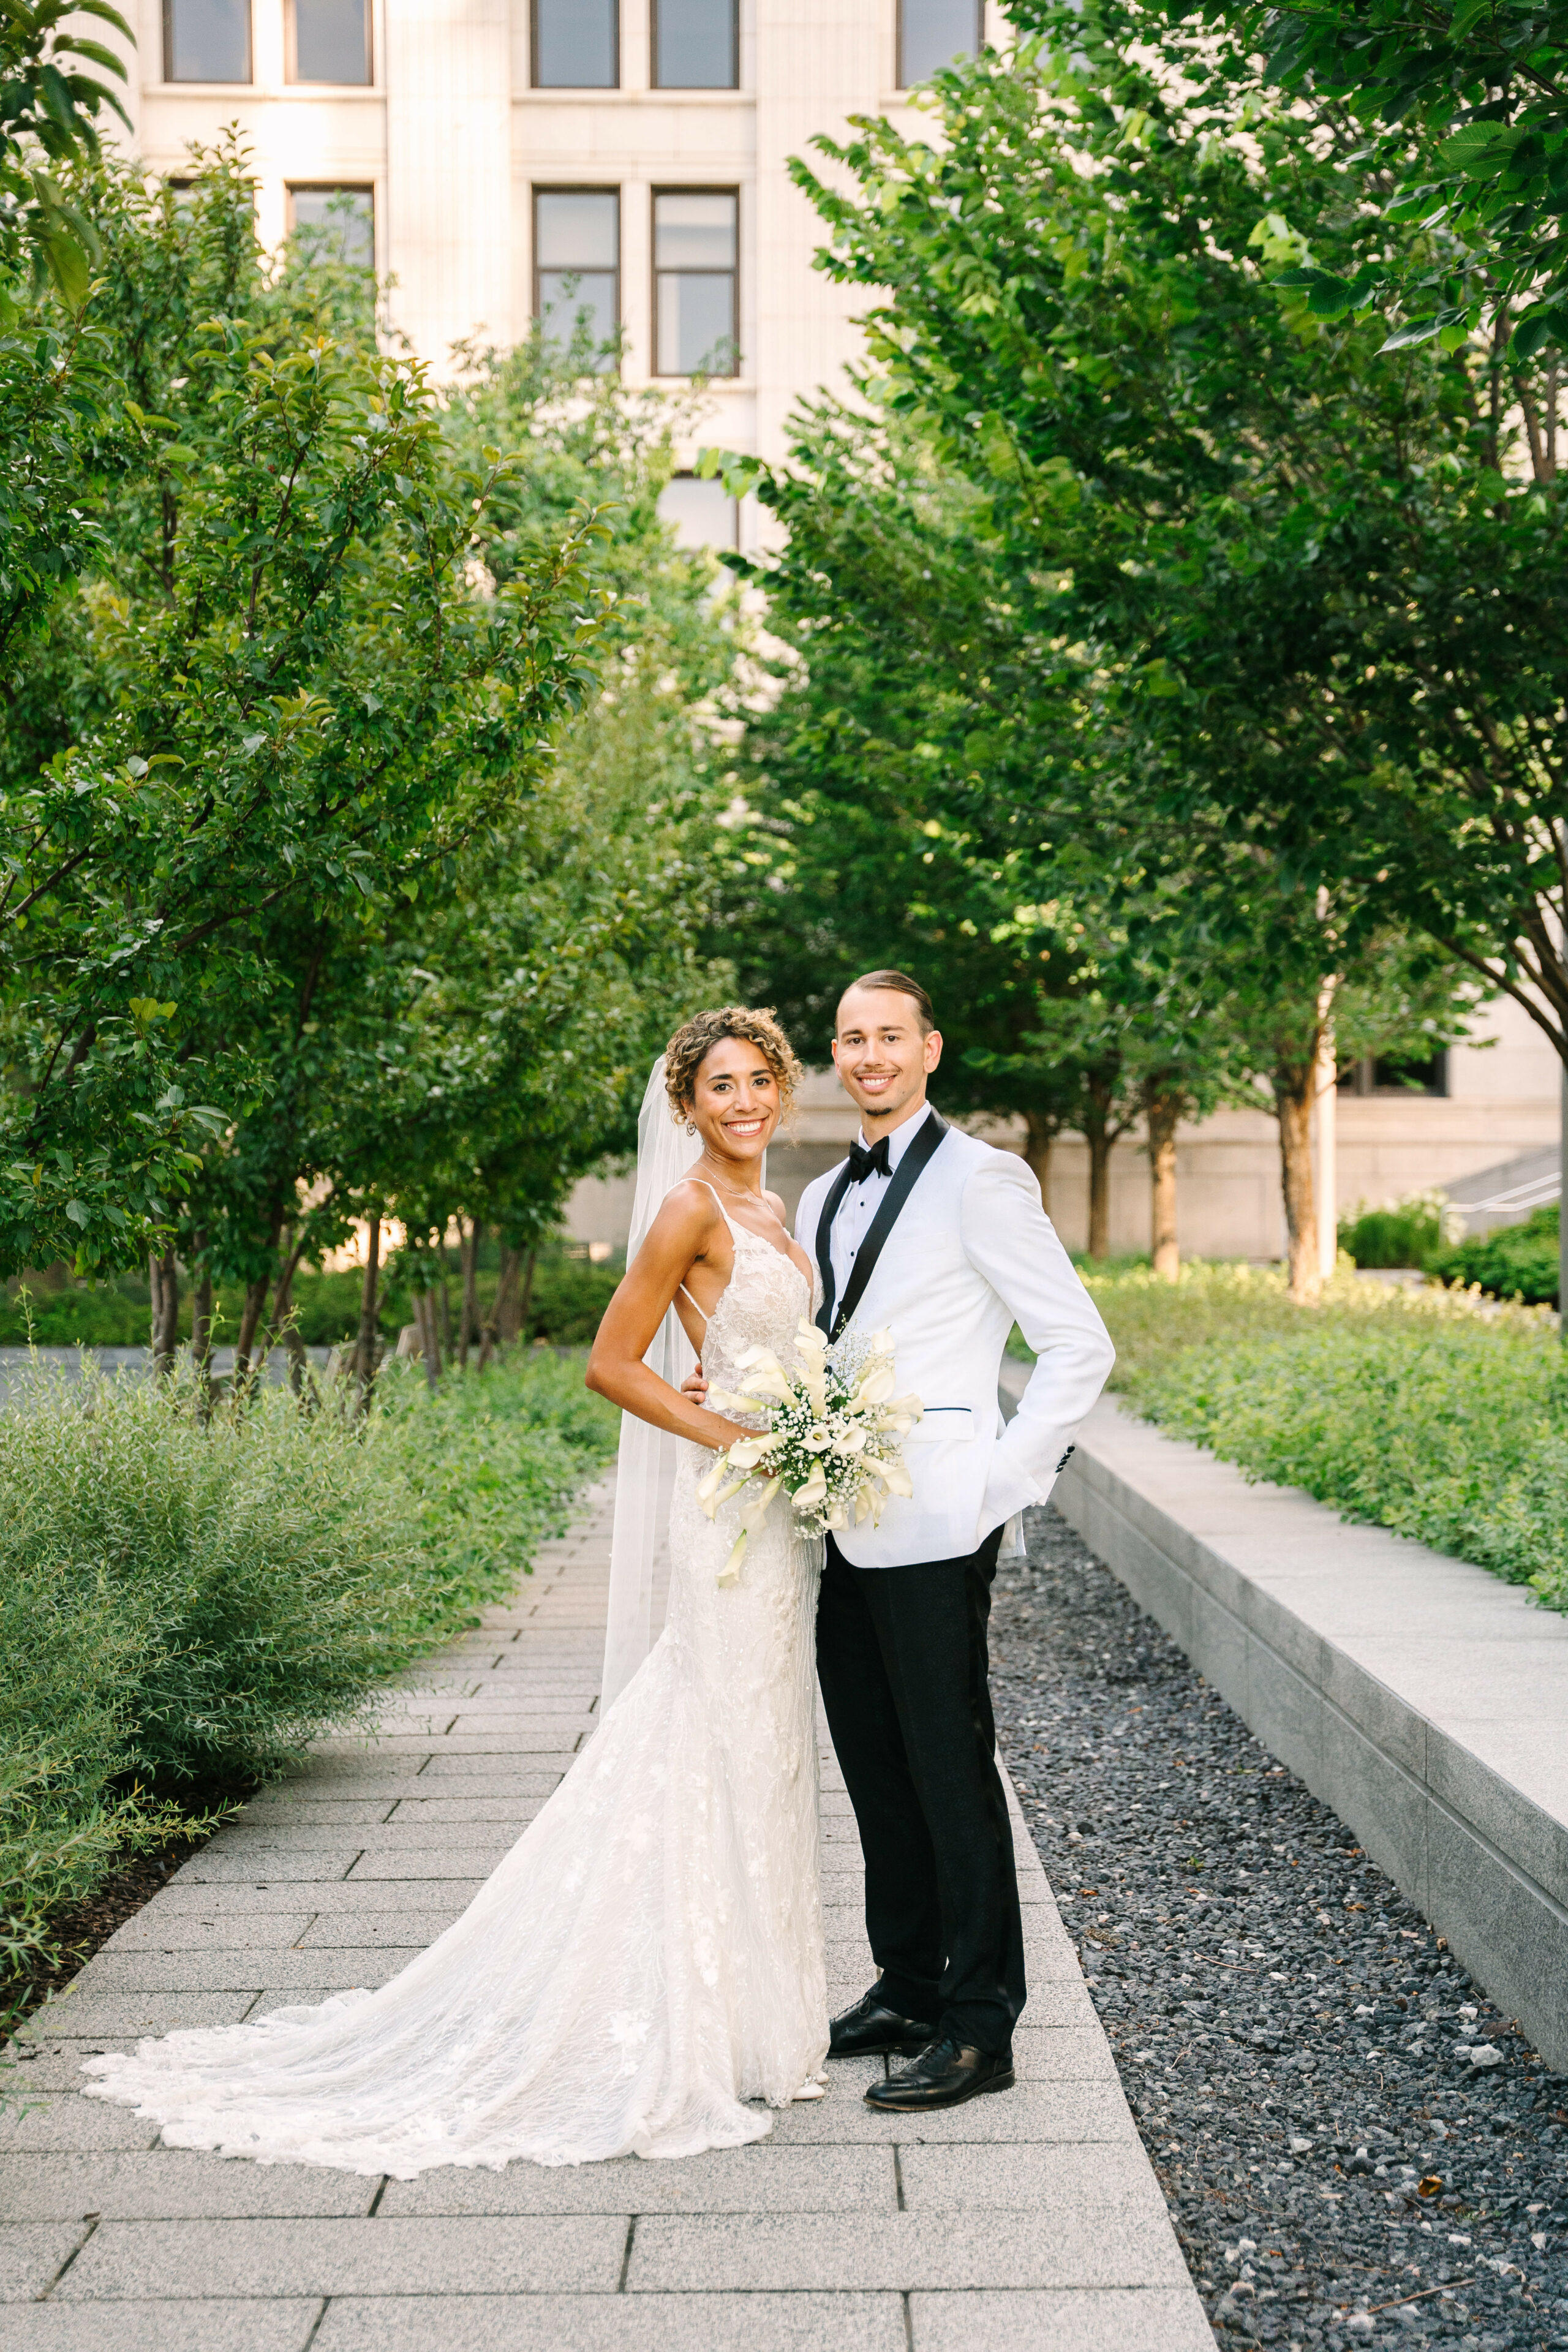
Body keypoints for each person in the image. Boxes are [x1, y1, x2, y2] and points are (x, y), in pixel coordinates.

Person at [82, 1006, 831, 2174]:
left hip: (782, 1524)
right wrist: (727, 1429)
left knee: (770, 1745)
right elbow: (610, 1362)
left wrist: (818, 1427)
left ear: (780, 1090)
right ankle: (690, 2021)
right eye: (718, 1086)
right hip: (728, 1508)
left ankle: (760, 2020)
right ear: (684, 1106)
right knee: (721, 1739)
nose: (742, 1102)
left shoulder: (776, 1212)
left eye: (758, 1081)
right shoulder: (688, 1207)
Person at [693, 970, 1115, 2111]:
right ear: (836, 1059)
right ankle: (910, 1981)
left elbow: (1079, 1345)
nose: (870, 1055)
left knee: (948, 1765)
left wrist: (1002, 1483)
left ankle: (983, 2024)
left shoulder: (986, 1181)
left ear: (930, 1049)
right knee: (875, 1764)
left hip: (941, 1520)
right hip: (832, 1520)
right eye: (851, 1039)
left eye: (891, 1036)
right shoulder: (821, 1191)